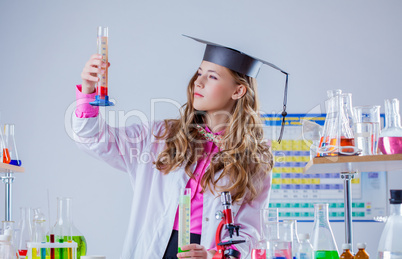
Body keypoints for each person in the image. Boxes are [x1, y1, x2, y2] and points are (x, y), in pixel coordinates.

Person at [73, 35, 288, 258]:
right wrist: (89, 90)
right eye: (200, 72)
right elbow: (93, 138)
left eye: (212, 76)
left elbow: (250, 229)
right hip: (154, 248)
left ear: (238, 91)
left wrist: (215, 255)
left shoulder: (254, 158)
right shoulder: (160, 136)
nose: (199, 82)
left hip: (205, 251)